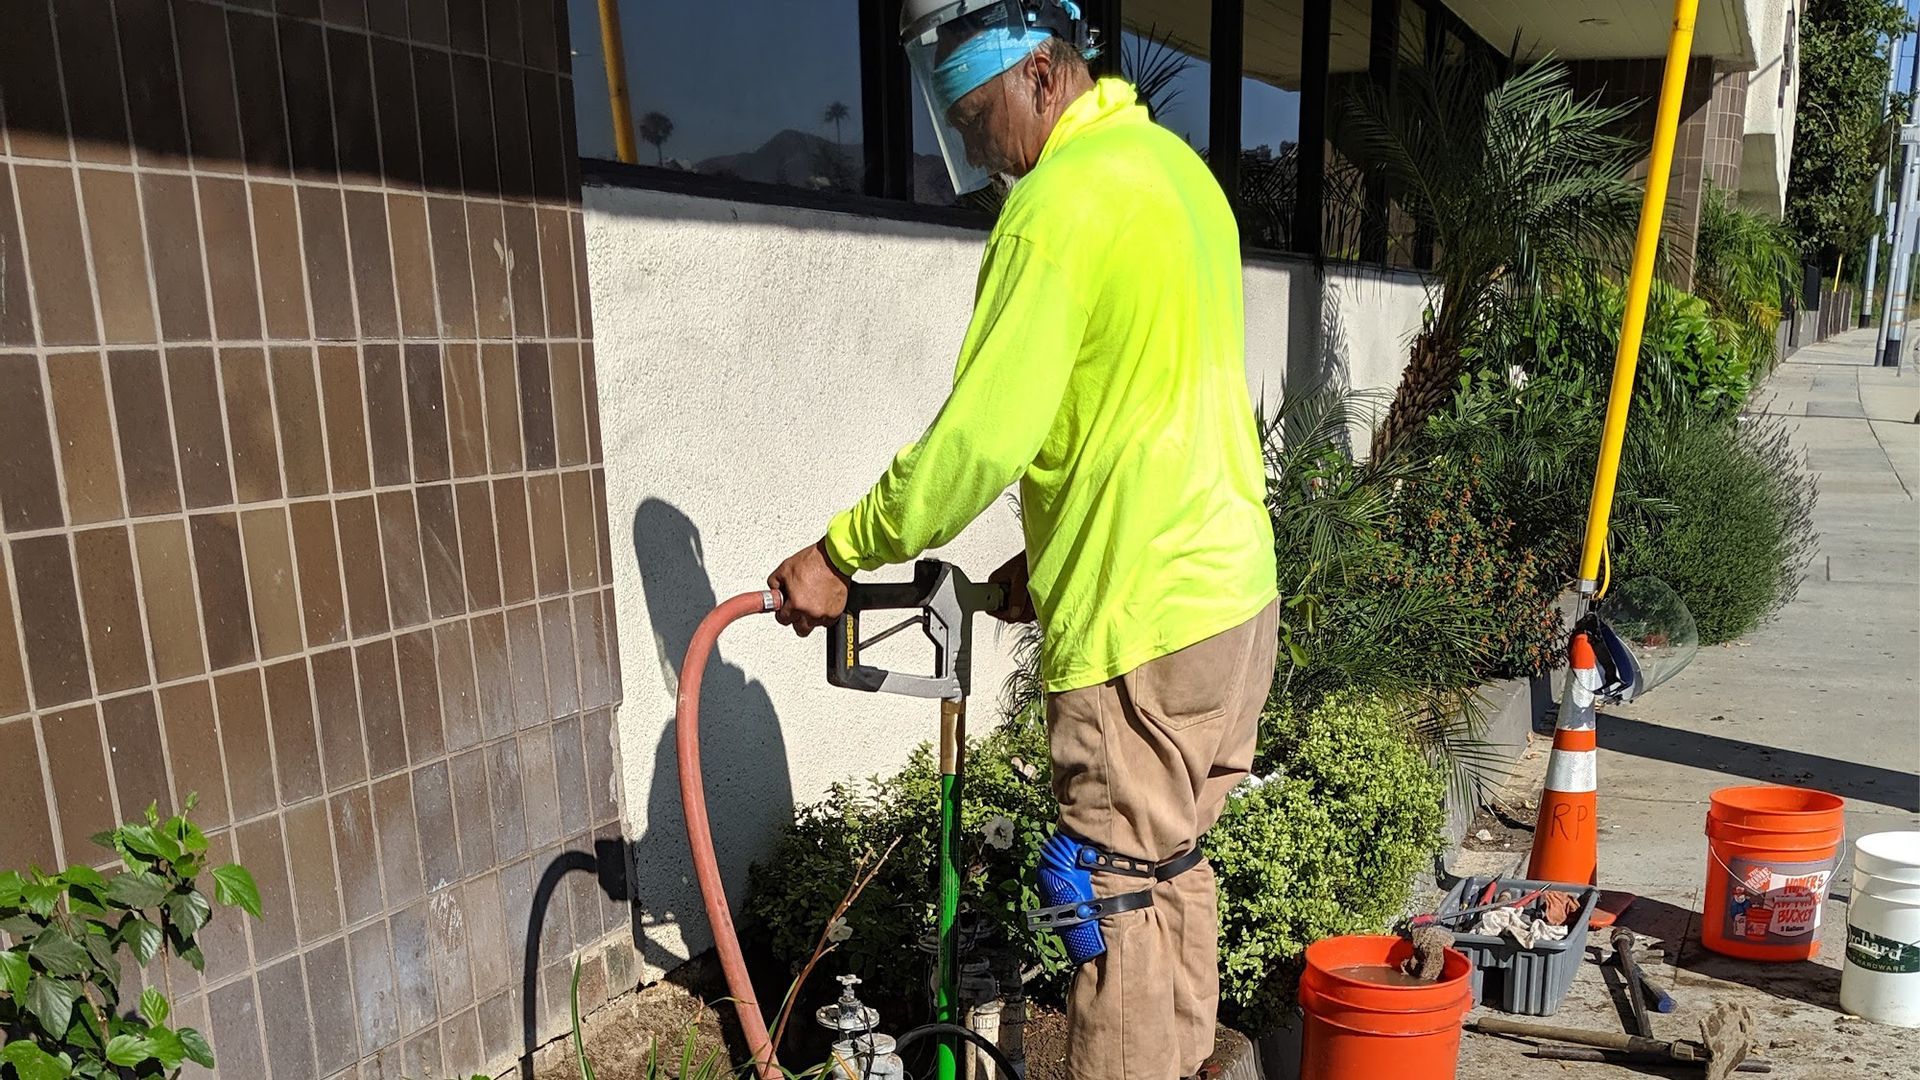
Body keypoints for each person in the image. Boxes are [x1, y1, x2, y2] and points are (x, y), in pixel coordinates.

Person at [767, 2, 1277, 1077]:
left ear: (1042, 71)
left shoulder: (1059, 207)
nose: (979, 151)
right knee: (1169, 870)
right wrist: (1043, 567)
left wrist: (839, 552)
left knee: (1111, 894)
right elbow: (1143, 406)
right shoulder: (1177, 177)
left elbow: (980, 438)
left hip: (1142, 627)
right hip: (1229, 603)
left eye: (979, 115)